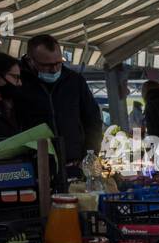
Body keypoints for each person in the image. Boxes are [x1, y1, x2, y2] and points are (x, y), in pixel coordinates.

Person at [14, 34, 103, 179]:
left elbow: (92, 120)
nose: (55, 69)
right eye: (47, 65)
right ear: (30, 60)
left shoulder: (74, 81)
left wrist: (90, 154)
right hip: (34, 167)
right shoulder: (18, 82)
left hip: (74, 165)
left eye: (59, 63)